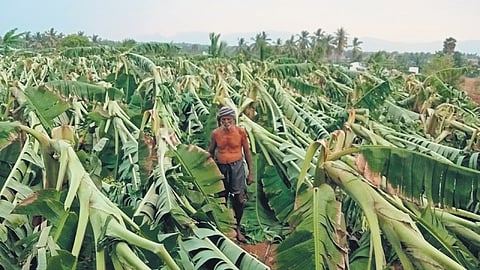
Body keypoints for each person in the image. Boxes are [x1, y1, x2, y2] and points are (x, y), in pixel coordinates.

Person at [208, 106, 254, 242]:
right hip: (221, 167)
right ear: (220, 120)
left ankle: (237, 227)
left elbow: (247, 153)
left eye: (229, 119)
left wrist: (251, 173)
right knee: (221, 198)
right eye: (223, 119)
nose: (226, 122)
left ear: (233, 119)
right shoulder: (216, 134)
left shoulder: (241, 132)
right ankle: (223, 228)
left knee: (239, 199)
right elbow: (210, 152)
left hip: (237, 167)